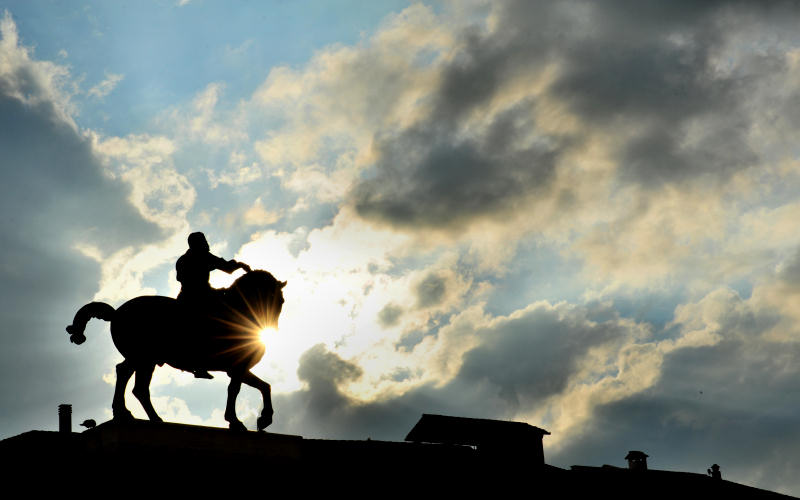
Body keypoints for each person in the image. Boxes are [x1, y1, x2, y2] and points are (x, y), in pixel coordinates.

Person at [176, 232, 251, 378]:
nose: (207, 243)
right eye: (204, 240)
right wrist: (241, 265)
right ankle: (201, 362)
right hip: (197, 298)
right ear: (199, 243)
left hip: (189, 296)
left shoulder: (184, 259)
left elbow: (181, 278)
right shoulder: (202, 256)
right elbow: (227, 267)